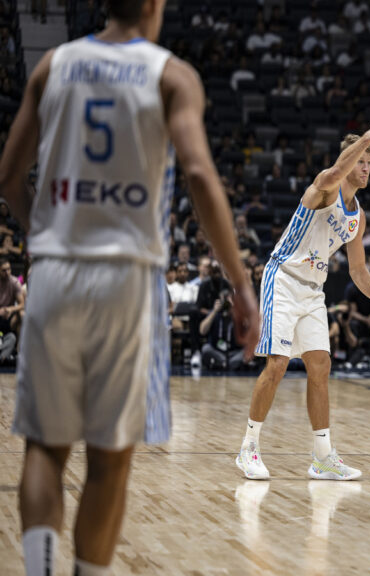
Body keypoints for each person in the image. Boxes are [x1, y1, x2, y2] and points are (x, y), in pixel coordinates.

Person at [0, 1, 261, 574]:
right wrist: (239, 283)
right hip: (127, 278)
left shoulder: (55, 65)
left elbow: (8, 174)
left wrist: (42, 233)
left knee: (45, 446)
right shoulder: (171, 74)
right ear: (151, 5)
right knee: (109, 458)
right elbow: (196, 172)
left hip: (56, 269)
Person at [237, 116, 370, 481]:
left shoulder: (357, 217)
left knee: (320, 367)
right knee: (278, 364)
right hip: (282, 279)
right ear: (349, 157)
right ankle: (248, 448)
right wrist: (364, 139)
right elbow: (333, 174)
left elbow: (358, 270)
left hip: (313, 291)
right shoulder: (324, 188)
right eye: (361, 160)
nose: (365, 168)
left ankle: (322, 457)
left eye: (369, 162)